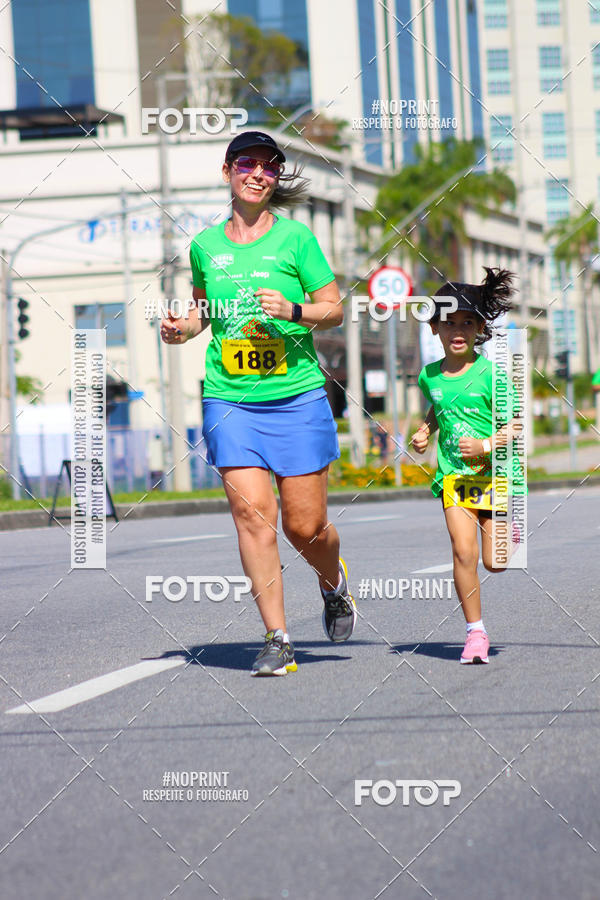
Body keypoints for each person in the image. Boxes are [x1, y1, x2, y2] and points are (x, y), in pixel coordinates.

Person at [160, 130, 356, 676]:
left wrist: (294, 311)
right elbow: (205, 312)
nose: (258, 174)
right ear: (227, 171)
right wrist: (182, 329)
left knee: (305, 527)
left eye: (270, 167)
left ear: (276, 179)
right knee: (252, 517)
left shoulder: (296, 240)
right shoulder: (205, 246)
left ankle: (333, 581)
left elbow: (334, 310)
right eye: (247, 163)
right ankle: (277, 637)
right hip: (230, 398)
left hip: (295, 397)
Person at [411, 268, 524, 664]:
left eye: (466, 323)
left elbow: (515, 423)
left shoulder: (491, 375)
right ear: (435, 329)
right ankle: (475, 633)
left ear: (479, 329)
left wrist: (485, 444)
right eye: (449, 323)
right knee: (463, 552)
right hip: (454, 478)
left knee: (495, 562)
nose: (457, 330)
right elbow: (439, 408)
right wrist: (425, 430)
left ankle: (507, 529)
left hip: (492, 476)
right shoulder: (429, 376)